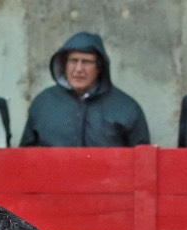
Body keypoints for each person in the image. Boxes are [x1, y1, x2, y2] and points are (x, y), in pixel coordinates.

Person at [20, 32, 150, 147]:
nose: (78, 69)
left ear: (99, 67)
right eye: (73, 61)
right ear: (64, 65)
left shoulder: (126, 108)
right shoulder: (43, 103)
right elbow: (23, 160)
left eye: (86, 62)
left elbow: (143, 162)